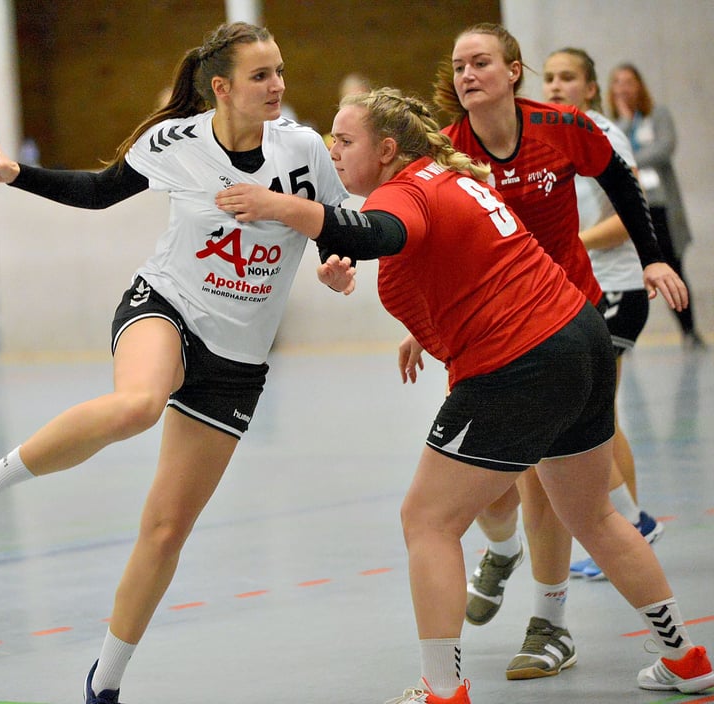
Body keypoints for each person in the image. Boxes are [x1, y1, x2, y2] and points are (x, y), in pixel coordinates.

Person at [213, 85, 712, 704]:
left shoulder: (405, 191)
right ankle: (685, 657)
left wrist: (280, 206)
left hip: (522, 360)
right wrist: (412, 320)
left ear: (387, 149)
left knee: (427, 520)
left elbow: (381, 231)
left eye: (344, 140)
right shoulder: (446, 177)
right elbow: (455, 256)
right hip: (577, 339)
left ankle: (443, 690)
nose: (332, 150)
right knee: (595, 517)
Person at [0, 22, 350, 703]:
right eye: (261, 75)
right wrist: (14, 174)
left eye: (279, 71)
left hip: (238, 357)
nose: (278, 86)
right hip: (166, 303)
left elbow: (335, 224)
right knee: (139, 404)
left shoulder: (303, 149)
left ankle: (105, 685)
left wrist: (336, 263)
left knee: (166, 531)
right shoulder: (175, 142)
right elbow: (98, 191)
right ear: (222, 87)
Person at [430, 23, 687, 681]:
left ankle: (550, 624)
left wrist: (654, 258)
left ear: (514, 70)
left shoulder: (562, 126)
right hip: (491, 334)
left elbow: (624, 183)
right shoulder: (450, 151)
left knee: (550, 490)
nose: (467, 74)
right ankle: (505, 555)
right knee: (502, 495)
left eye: (480, 62)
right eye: (458, 66)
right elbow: (436, 237)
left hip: (567, 327)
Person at [543, 47, 663, 581]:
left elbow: (628, 219)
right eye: (549, 77)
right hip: (586, 289)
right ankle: (633, 524)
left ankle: (630, 524)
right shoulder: (554, 135)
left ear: (590, 89)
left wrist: (569, 245)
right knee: (601, 414)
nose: (555, 86)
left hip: (615, 288)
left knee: (584, 410)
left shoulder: (603, 135)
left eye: (568, 78)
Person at [609, 63, 705, 348]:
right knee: (631, 273)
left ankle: (689, 331)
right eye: (618, 82)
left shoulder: (657, 115)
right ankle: (624, 336)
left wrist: (631, 158)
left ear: (639, 85)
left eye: (629, 81)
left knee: (672, 266)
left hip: (660, 205)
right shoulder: (613, 124)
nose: (623, 88)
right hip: (629, 208)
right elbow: (612, 155)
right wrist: (625, 122)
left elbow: (664, 148)